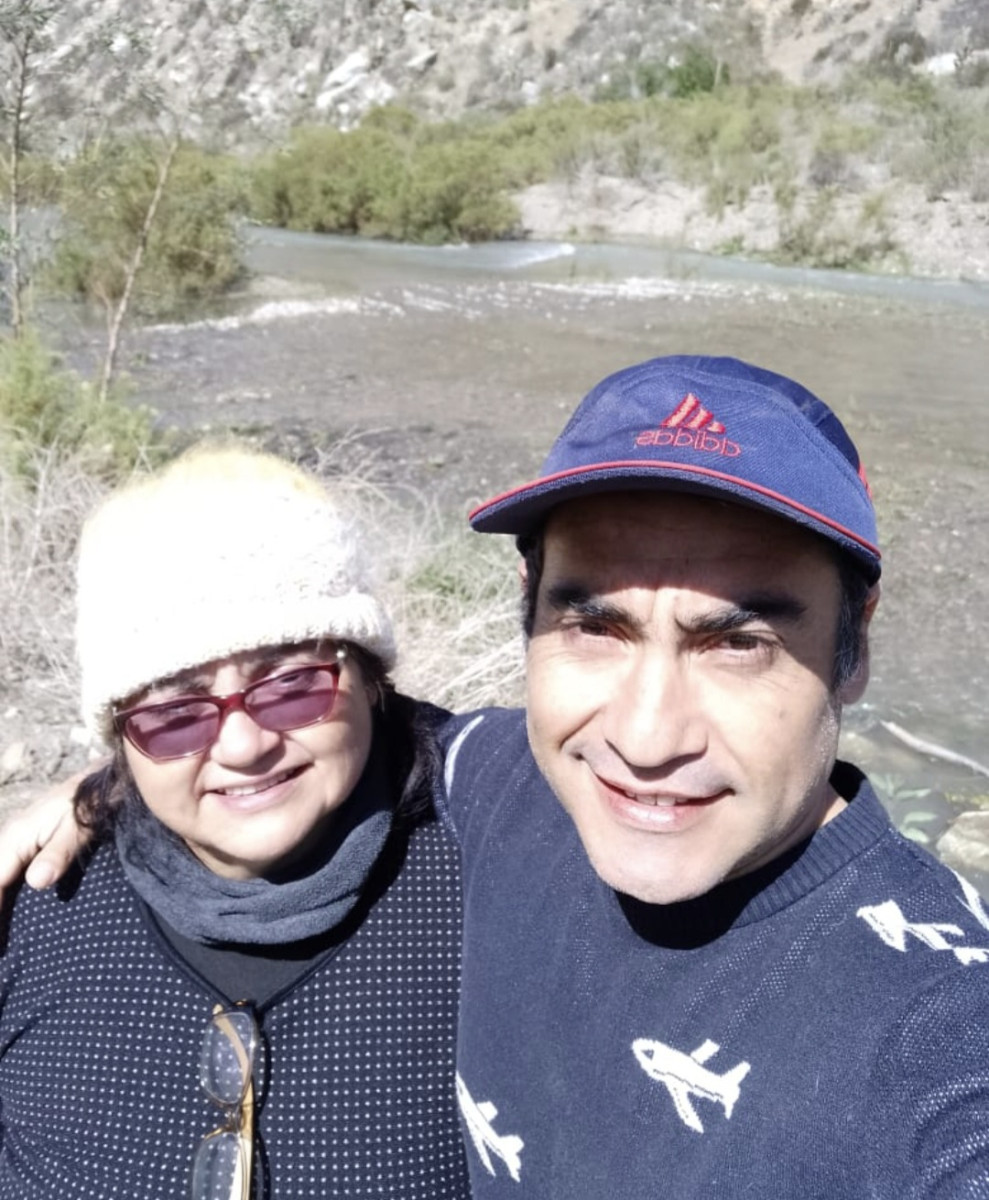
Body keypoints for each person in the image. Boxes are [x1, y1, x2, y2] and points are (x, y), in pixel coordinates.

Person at [5, 356, 989, 1197]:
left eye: (737, 643)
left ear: (855, 642)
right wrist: (105, 791)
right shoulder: (504, 782)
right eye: (593, 627)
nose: (645, 739)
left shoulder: (933, 1019)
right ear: (528, 607)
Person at [0, 447, 470, 1199]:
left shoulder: (494, 870)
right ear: (119, 737)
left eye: (291, 684)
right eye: (174, 712)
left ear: (369, 679)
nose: (244, 746)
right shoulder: (34, 913)